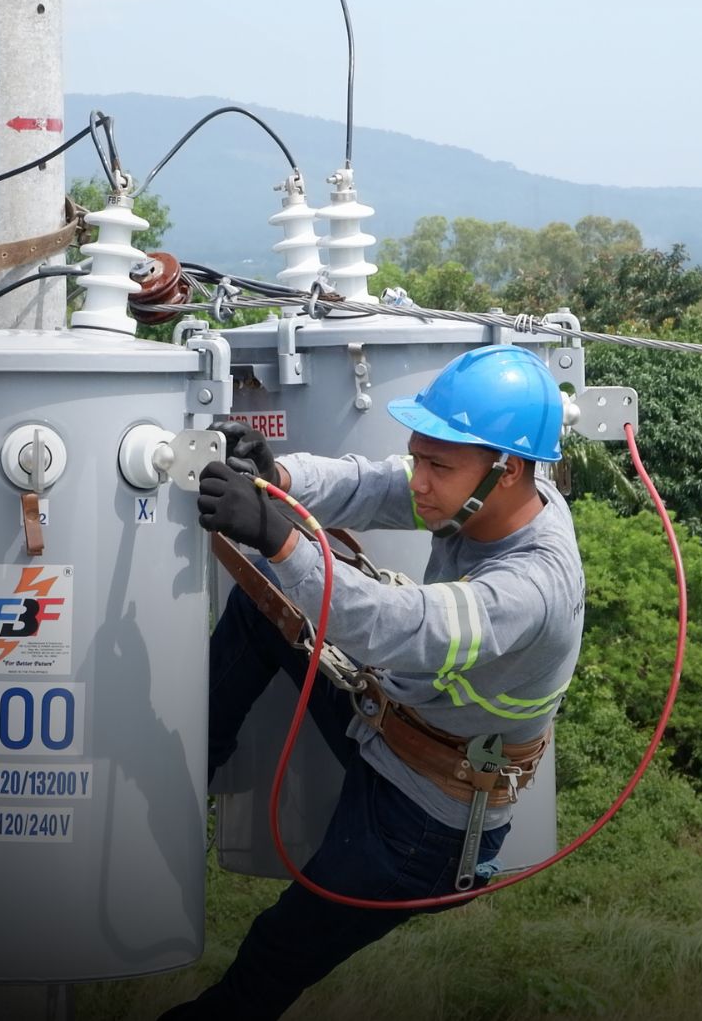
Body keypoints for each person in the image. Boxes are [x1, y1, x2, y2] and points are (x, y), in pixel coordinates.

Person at [169, 344, 587, 1019]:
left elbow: (403, 627)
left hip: (427, 819)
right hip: (398, 722)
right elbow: (374, 482)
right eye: (420, 455)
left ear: (507, 472)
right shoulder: (482, 494)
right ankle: (176, 789)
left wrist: (280, 537)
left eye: (438, 465)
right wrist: (277, 476)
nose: (419, 478)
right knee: (266, 602)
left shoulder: (533, 584)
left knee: (275, 951)